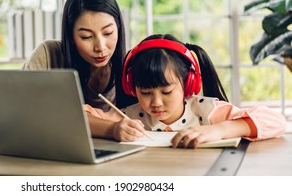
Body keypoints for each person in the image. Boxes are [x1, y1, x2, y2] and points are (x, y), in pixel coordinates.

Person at [85, 34, 287, 148]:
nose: (155, 102)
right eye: (145, 92)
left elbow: (276, 121)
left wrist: (218, 130)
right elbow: (76, 117)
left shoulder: (206, 111)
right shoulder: (128, 116)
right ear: (132, 86)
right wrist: (112, 129)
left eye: (166, 92)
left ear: (188, 84)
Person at [22, 0, 136, 136]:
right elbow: (25, 111)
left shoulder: (132, 65)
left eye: (108, 33)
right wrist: (111, 128)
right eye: (86, 37)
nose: (100, 47)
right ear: (71, 37)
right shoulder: (49, 54)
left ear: (119, 28)